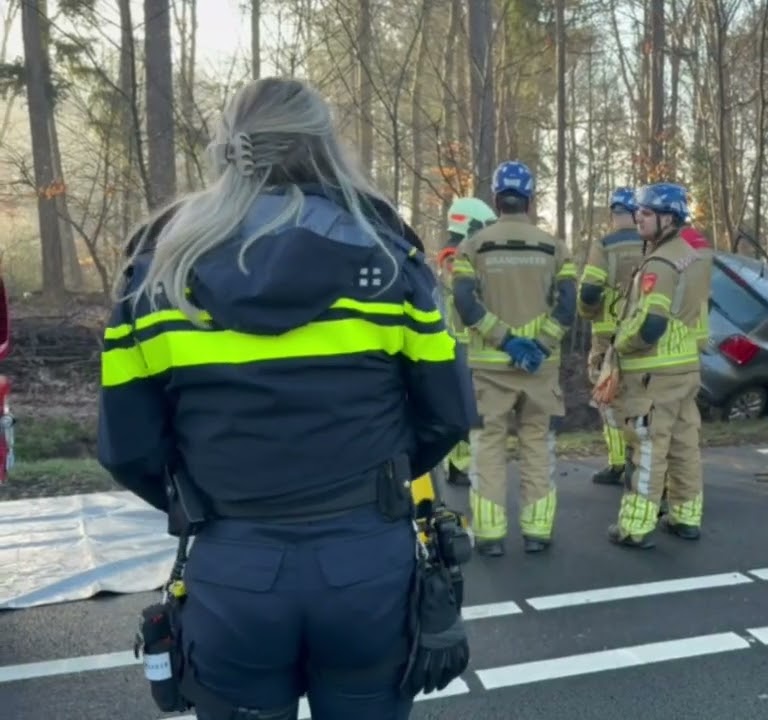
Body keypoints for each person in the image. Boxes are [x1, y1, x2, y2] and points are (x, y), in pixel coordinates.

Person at [97, 77, 475, 720]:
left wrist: (208, 498)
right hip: (367, 562)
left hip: (230, 563)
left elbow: (129, 446)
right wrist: (376, 479)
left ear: (227, 150)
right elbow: (446, 412)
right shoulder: (387, 258)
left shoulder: (157, 271)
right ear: (323, 145)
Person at [450, 160, 577, 557]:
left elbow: (464, 302)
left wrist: (506, 341)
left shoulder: (472, 247)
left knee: (487, 446)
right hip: (541, 369)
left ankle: (489, 536)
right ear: (529, 198)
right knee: (536, 444)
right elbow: (568, 306)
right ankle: (537, 532)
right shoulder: (555, 248)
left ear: (496, 198)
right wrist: (537, 346)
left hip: (489, 366)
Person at [593, 182, 710, 549]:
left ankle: (635, 526)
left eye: (646, 213)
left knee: (647, 449)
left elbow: (652, 323)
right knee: (684, 446)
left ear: (667, 218)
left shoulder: (659, 264)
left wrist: (620, 346)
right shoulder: (693, 256)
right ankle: (686, 517)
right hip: (685, 370)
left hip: (653, 376)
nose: (637, 218)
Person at [577, 187, 645, 487]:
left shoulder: (604, 245)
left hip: (607, 337)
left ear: (615, 214)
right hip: (642, 335)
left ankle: (617, 462)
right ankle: (640, 459)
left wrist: (587, 312)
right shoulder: (652, 243)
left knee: (609, 398)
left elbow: (590, 289)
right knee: (640, 399)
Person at [431, 197, 498, 487]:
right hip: (459, 340)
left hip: (461, 339)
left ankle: (459, 463)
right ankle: (460, 464)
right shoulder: (456, 256)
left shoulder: (458, 253)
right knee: (466, 405)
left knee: (465, 403)